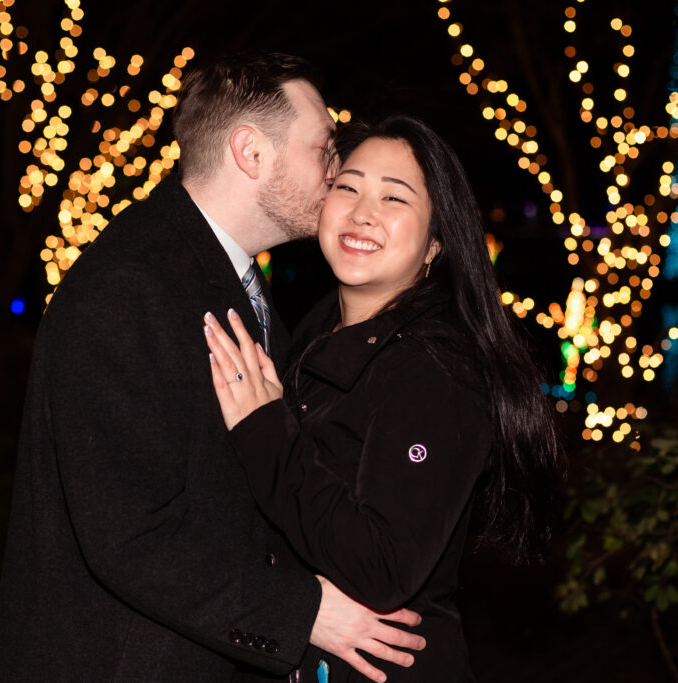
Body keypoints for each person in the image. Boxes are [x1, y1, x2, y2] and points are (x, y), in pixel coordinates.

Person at [0, 53, 426, 683]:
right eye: (324, 149)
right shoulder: (130, 286)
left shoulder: (231, 280)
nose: (337, 173)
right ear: (250, 151)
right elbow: (129, 535)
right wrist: (305, 614)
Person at [204, 115, 563, 682]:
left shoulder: (437, 369)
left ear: (436, 243)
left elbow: (382, 566)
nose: (362, 212)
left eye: (394, 198)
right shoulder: (314, 334)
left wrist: (263, 428)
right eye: (347, 187)